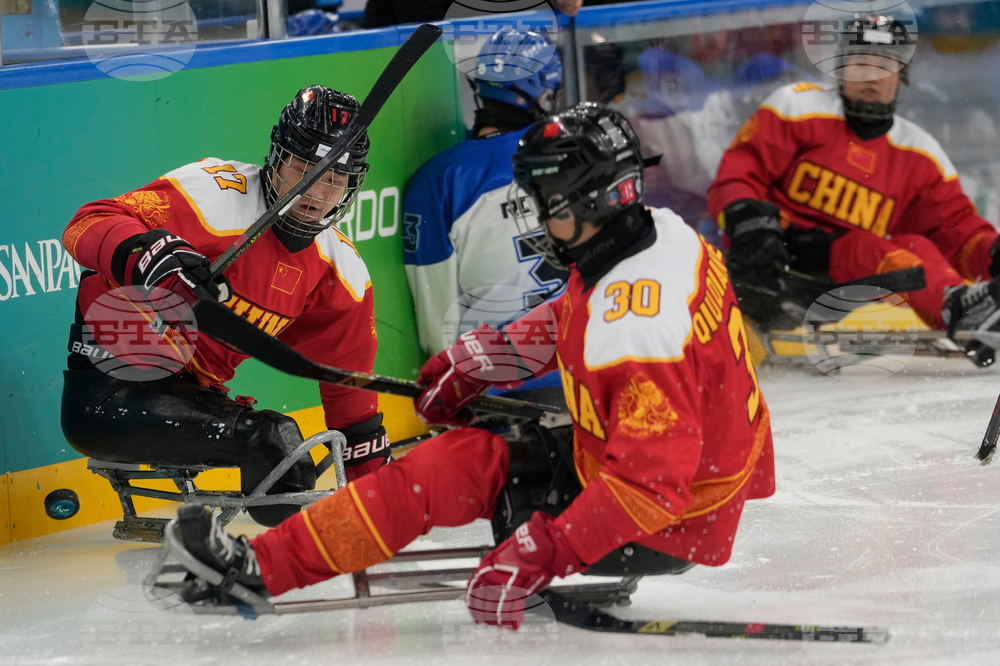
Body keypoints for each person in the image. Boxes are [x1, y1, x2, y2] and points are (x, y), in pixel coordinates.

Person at [171, 102, 775, 630]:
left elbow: (649, 488)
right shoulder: (660, 233)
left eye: (547, 205)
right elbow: (572, 312)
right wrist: (479, 360)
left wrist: (546, 551)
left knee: (440, 471)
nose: (537, 219)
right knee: (459, 459)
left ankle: (263, 568)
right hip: (685, 483)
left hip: (665, 519)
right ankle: (271, 564)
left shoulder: (637, 330)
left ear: (592, 202)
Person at [60, 85, 391, 528]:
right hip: (108, 389)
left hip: (192, 395)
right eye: (304, 166)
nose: (318, 189)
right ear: (277, 156)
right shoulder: (216, 194)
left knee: (289, 462)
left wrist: (383, 511)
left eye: (336, 177)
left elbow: (354, 413)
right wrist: (147, 252)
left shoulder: (341, 273)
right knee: (273, 441)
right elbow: (85, 224)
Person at [708, 14, 1000, 366]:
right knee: (866, 246)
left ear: (901, 77)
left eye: (884, 65)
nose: (870, 76)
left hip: (850, 275)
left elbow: (957, 229)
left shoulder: (919, 152)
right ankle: (957, 307)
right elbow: (738, 174)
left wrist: (993, 255)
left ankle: (967, 303)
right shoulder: (798, 107)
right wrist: (749, 224)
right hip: (774, 266)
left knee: (913, 245)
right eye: (860, 62)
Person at [403, 26, 566, 359]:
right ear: (545, 93)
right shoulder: (574, 152)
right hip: (581, 364)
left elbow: (439, 330)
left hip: (497, 378)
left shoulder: (439, 178)